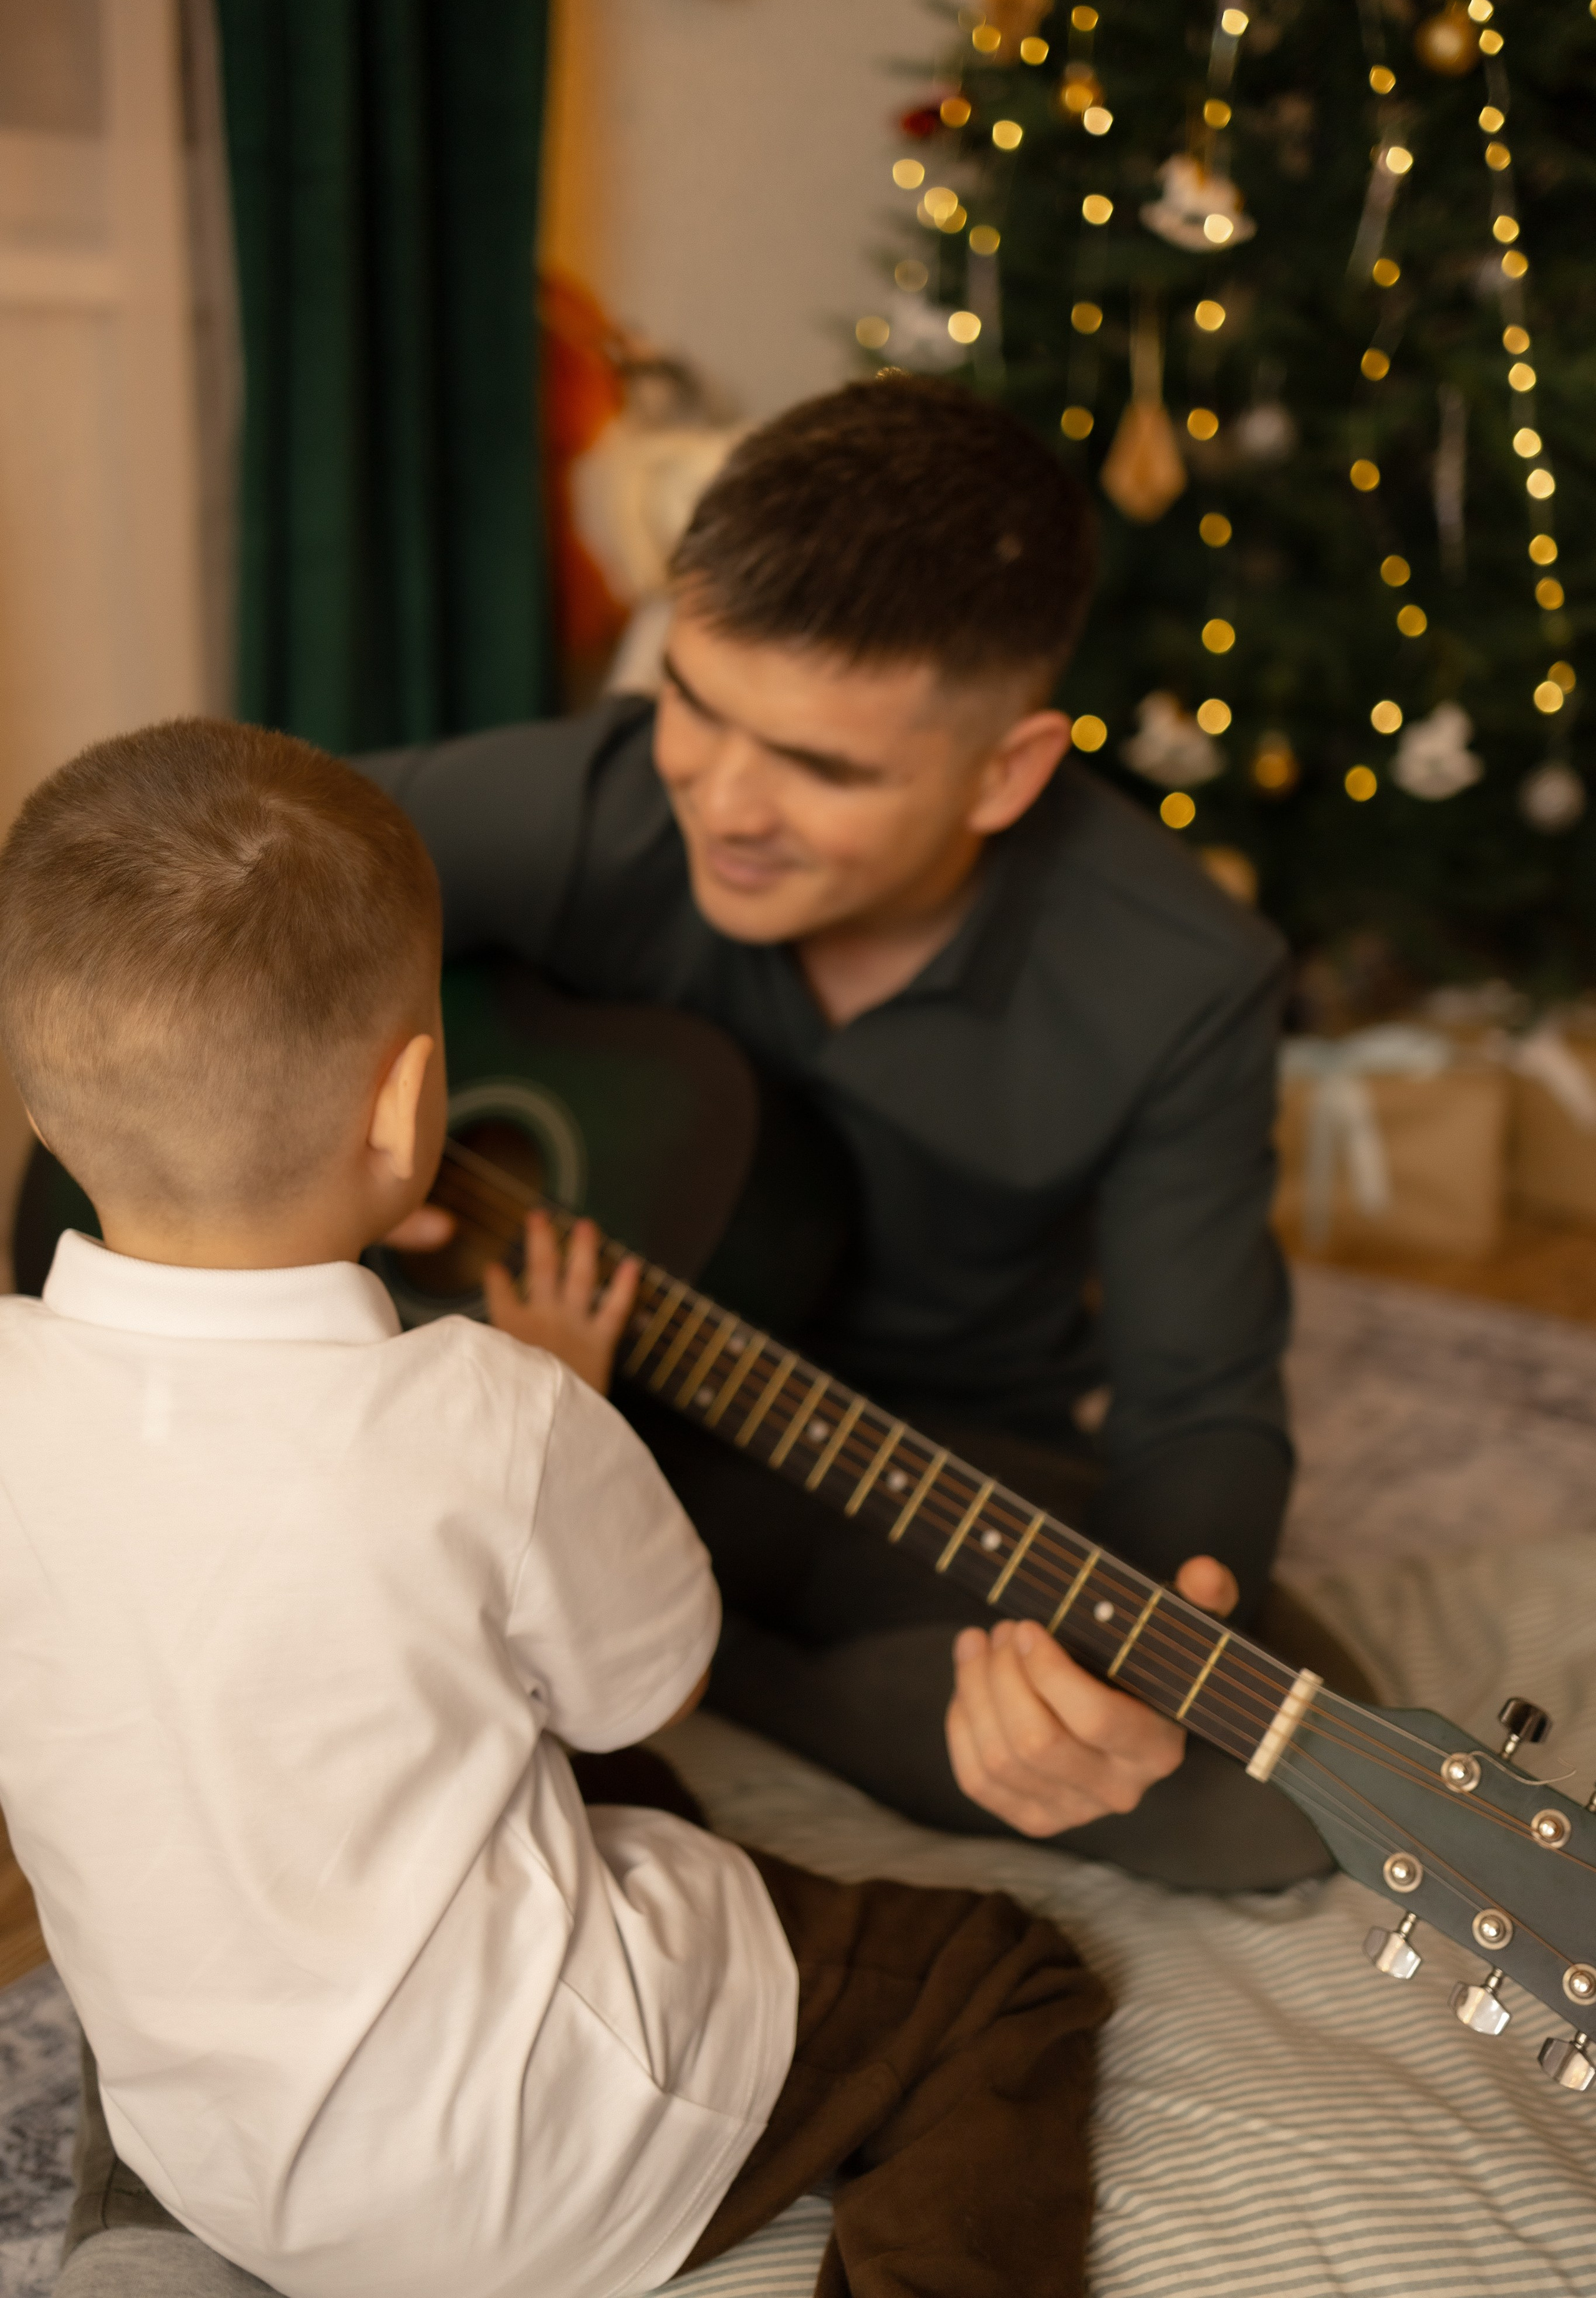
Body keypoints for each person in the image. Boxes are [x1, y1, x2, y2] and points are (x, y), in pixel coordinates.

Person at [0, 721, 1107, 2298]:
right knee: (1006, 1983)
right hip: (536, 2178)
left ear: (45, 1115)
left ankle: (146, 2252)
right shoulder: (497, 1417)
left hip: (226, 2154)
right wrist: (569, 1408)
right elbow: (649, 1689)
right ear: (409, 1109)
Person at [365, 374, 1371, 1894]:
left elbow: (1203, 1404)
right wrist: (340, 1144)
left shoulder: (1177, 977)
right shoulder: (610, 796)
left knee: (1268, 1785)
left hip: (909, 1456)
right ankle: (658, 1648)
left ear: (1007, 770)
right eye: (697, 701)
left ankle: (716, 1670)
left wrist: (1144, 1659)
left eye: (824, 767)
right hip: (551, 1385)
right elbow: (216, 881)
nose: (722, 800)